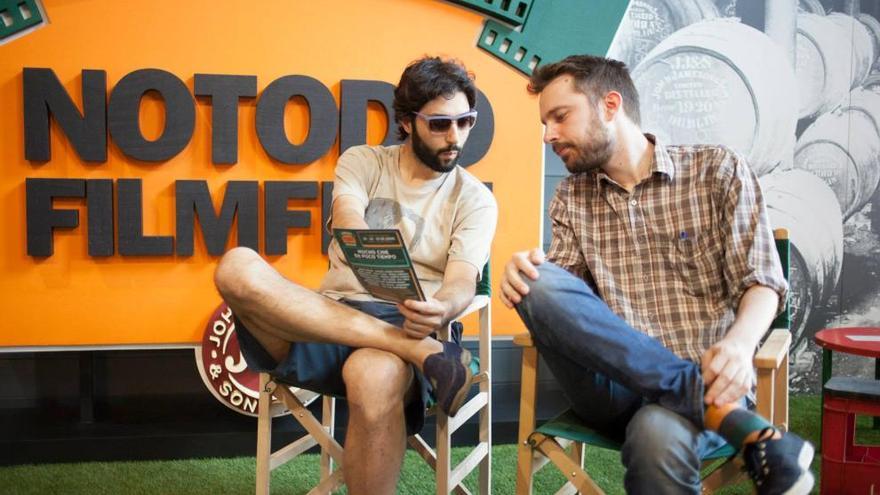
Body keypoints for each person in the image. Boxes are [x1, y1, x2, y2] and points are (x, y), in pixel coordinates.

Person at [500, 55, 813, 495]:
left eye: (560, 117)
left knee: (655, 437)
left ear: (610, 105)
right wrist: (526, 274)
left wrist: (741, 346)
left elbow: (763, 279)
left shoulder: (717, 170)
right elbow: (565, 304)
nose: (548, 135)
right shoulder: (571, 196)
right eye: (546, 122)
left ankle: (708, 403)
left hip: (708, 377)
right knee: (537, 279)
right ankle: (713, 405)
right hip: (612, 390)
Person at [215, 56, 497, 495]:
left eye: (465, 121)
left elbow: (463, 279)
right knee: (235, 266)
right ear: (406, 122)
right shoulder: (363, 161)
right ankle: (420, 352)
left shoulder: (475, 199)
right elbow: (346, 216)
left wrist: (442, 306)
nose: (455, 137)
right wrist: (362, 242)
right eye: (440, 124)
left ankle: (413, 347)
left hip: (407, 319)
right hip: (327, 319)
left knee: (374, 374)